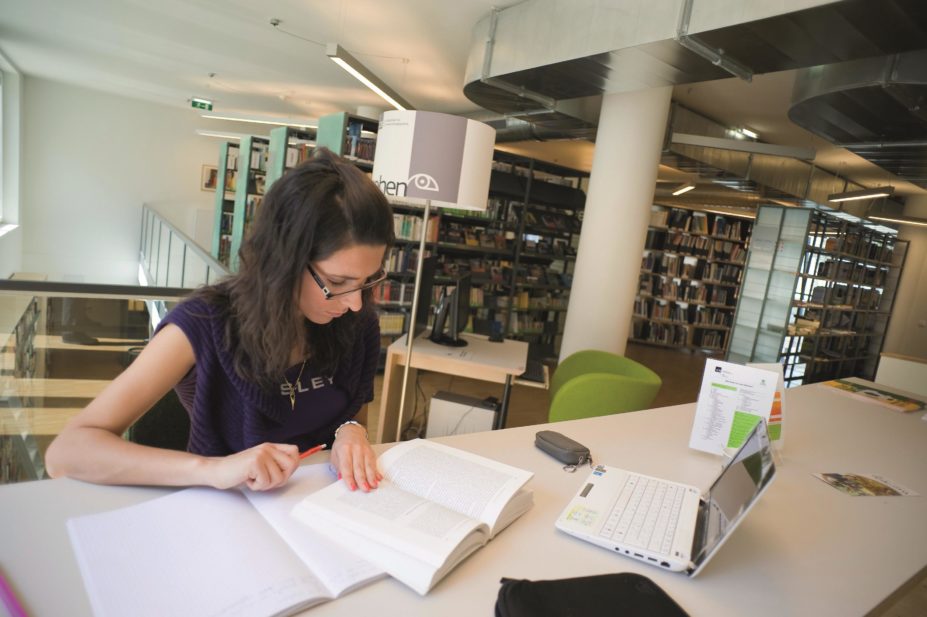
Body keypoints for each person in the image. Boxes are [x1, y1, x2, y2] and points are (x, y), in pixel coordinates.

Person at [46, 148, 394, 492]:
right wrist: (213, 469)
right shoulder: (202, 324)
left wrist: (352, 431)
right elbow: (67, 453)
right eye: (337, 283)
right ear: (284, 260)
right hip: (228, 516)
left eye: (368, 280)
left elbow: (351, 415)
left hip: (325, 508)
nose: (354, 303)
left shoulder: (357, 322)